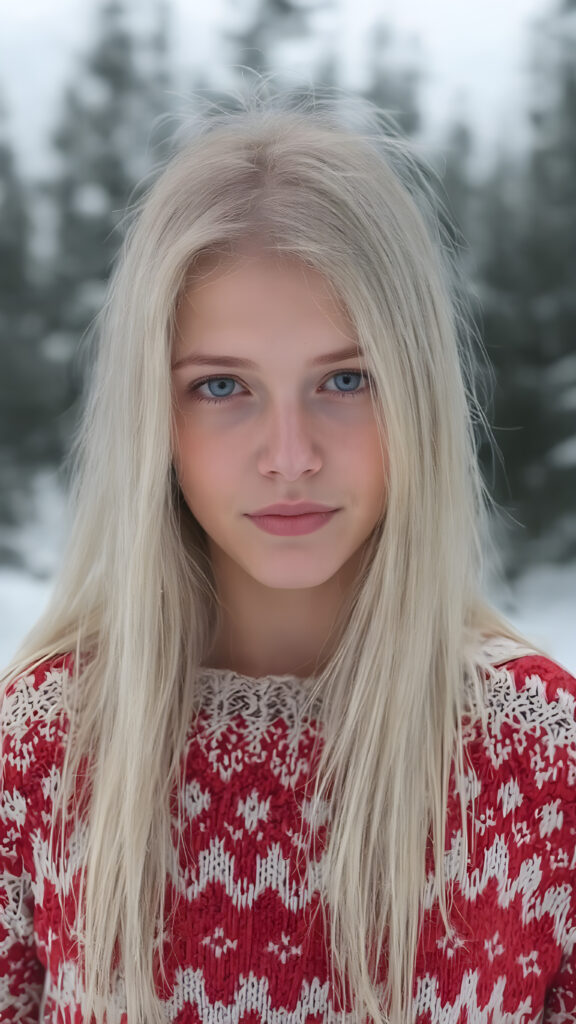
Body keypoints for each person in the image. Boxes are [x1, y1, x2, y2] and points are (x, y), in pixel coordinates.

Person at [1, 84, 575, 1024]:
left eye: (346, 379)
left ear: (417, 394)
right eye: (223, 386)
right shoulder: (44, 751)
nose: (291, 454)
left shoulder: (541, 760)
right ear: (157, 415)